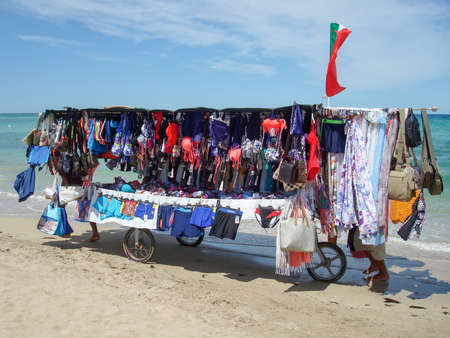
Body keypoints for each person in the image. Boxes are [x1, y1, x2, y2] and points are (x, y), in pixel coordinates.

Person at [58, 172, 100, 242]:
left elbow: (63, 172)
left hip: (70, 184)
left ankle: (66, 232)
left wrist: (67, 185)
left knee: (61, 205)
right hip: (83, 184)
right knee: (88, 207)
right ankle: (95, 233)